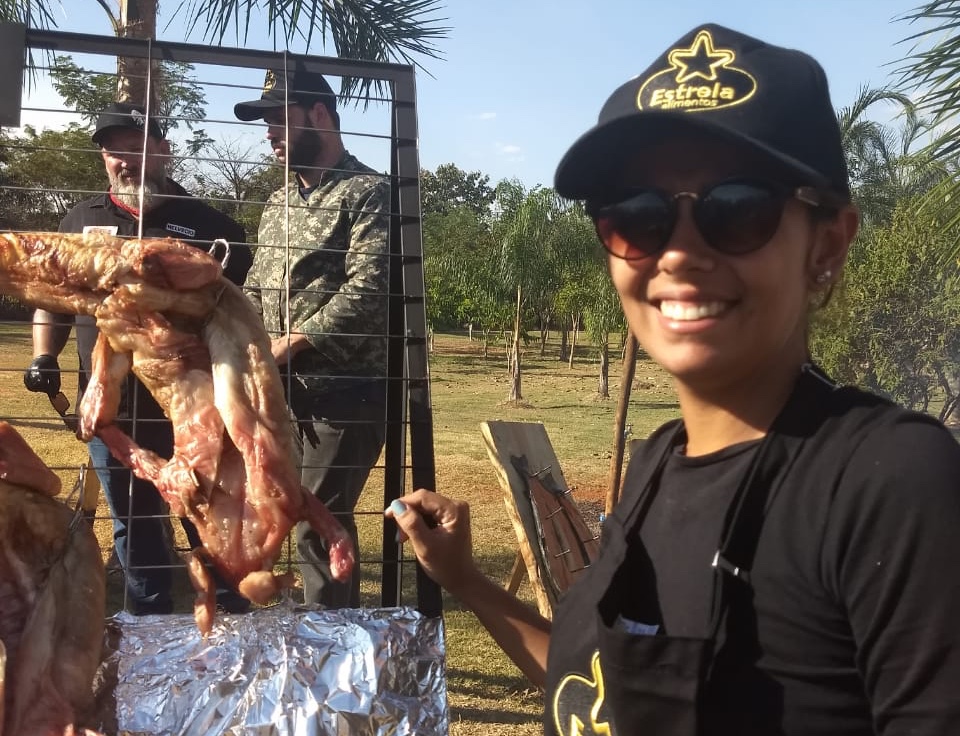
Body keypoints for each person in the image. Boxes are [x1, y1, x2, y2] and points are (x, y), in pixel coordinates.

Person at [386, 24, 960, 736]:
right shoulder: (660, 462)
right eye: (638, 217)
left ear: (828, 244)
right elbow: (598, 704)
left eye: (739, 209)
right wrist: (467, 581)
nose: (680, 254)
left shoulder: (890, 482)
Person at [23, 102, 254, 616]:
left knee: (210, 510)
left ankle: (231, 612)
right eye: (113, 149)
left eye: (137, 146)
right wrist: (45, 357)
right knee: (133, 516)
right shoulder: (79, 220)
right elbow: (52, 301)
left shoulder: (210, 224)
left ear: (164, 151)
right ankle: (150, 618)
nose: (125, 159)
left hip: (193, 406)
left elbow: (232, 316)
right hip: (113, 410)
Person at [234, 65, 389, 608]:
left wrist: (291, 342)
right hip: (282, 397)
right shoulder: (278, 204)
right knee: (288, 513)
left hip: (345, 394)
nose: (270, 134)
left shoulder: (369, 193)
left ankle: (330, 659)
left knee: (317, 523)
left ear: (320, 115)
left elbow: (371, 290)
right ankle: (315, 644)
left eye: (281, 120)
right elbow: (254, 287)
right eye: (265, 123)